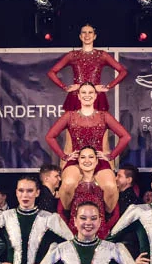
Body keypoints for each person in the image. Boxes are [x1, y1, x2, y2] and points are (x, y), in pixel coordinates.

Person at [45, 83, 131, 216]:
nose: (87, 95)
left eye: (90, 92)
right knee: (68, 184)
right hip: (76, 160)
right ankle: (69, 215)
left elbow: (125, 136)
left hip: (98, 160)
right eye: (83, 92)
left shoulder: (104, 115)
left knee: (110, 186)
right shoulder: (69, 116)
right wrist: (64, 156)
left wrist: (111, 156)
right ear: (78, 96)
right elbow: (50, 136)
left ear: (96, 96)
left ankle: (105, 217)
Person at [47, 23, 128, 114]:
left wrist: (108, 86)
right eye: (84, 32)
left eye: (90, 32)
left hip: (95, 96)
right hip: (77, 96)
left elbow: (123, 71)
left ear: (94, 36)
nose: (87, 35)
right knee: (74, 122)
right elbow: (51, 72)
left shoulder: (102, 55)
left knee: (98, 122)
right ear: (80, 36)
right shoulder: (72, 55)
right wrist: (65, 87)